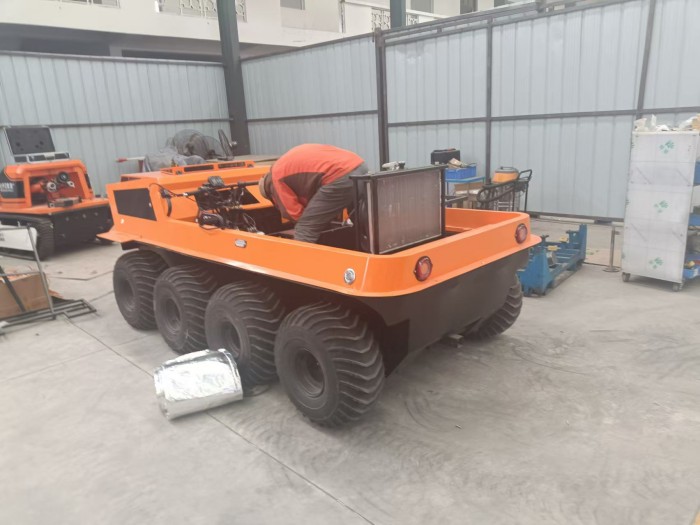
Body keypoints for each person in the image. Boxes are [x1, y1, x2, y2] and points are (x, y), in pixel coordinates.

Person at [258, 144, 368, 243]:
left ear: (270, 192)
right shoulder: (284, 165)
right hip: (359, 166)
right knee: (359, 219)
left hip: (340, 175)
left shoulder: (276, 179)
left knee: (305, 227)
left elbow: (295, 214)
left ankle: (300, 259)